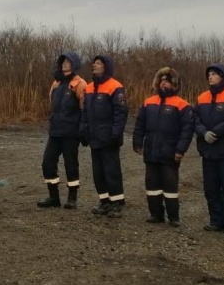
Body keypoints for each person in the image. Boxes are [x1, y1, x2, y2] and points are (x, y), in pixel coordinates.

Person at [132, 67, 193, 226]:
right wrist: (137, 143)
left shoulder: (182, 104)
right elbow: (140, 125)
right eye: (161, 81)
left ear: (174, 85)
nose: (163, 84)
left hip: (170, 153)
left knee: (170, 185)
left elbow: (187, 130)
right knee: (152, 184)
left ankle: (174, 217)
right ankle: (155, 214)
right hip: (151, 151)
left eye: (167, 81)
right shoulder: (148, 102)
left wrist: (180, 149)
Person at [194, 63, 224, 236]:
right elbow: (195, 119)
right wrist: (203, 132)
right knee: (211, 188)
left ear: (223, 76)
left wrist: (216, 132)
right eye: (209, 74)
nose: (211, 77)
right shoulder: (202, 98)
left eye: (214, 74)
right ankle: (216, 220)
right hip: (208, 150)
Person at [37, 53, 87, 209]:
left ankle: (72, 199)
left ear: (74, 64)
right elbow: (51, 105)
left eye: (68, 62)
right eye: (63, 62)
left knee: (71, 165)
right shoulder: (56, 83)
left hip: (71, 132)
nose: (64, 64)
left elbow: (84, 109)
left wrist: (83, 130)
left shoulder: (80, 83)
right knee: (47, 163)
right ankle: (54, 198)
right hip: (55, 131)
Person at [80, 55, 128, 218]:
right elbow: (85, 112)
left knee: (111, 171)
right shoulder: (89, 87)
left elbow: (120, 112)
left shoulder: (115, 86)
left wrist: (116, 133)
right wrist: (84, 131)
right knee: (98, 172)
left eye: (98, 63)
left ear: (106, 66)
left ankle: (117, 203)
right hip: (94, 137)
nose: (94, 65)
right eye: (94, 63)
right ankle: (104, 201)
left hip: (109, 138)